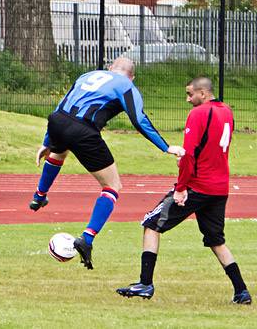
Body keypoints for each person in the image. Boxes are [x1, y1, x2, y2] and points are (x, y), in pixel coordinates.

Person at [29, 56, 184, 270]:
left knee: (58, 153)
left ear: (110, 68)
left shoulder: (87, 75)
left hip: (57, 121)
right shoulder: (126, 86)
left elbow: (61, 106)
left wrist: (47, 141)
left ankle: (39, 196)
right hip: (83, 130)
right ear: (133, 77)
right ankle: (87, 239)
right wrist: (166, 147)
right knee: (112, 186)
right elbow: (139, 119)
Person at [116, 77, 251, 304]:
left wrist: (181, 188)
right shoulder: (226, 111)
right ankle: (241, 291)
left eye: (191, 94)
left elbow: (189, 154)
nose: (188, 100)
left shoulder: (198, 114)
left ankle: (145, 284)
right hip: (219, 187)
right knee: (216, 240)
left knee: (150, 224)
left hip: (198, 185)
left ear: (203, 93)